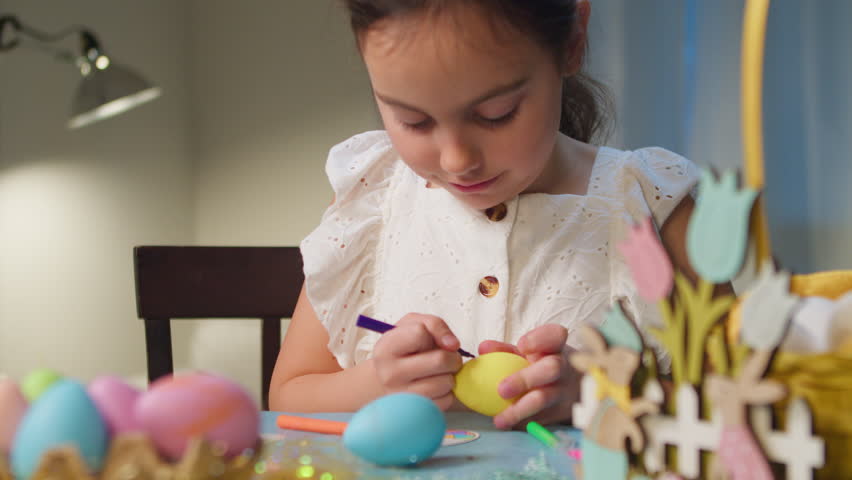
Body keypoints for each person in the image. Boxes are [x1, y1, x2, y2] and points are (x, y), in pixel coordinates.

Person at [269, 0, 703, 429]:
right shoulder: (373, 199)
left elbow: (749, 401)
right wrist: (376, 387)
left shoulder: (649, 207)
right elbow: (287, 397)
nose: (456, 161)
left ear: (572, 39)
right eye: (414, 121)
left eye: (497, 115)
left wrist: (602, 391)